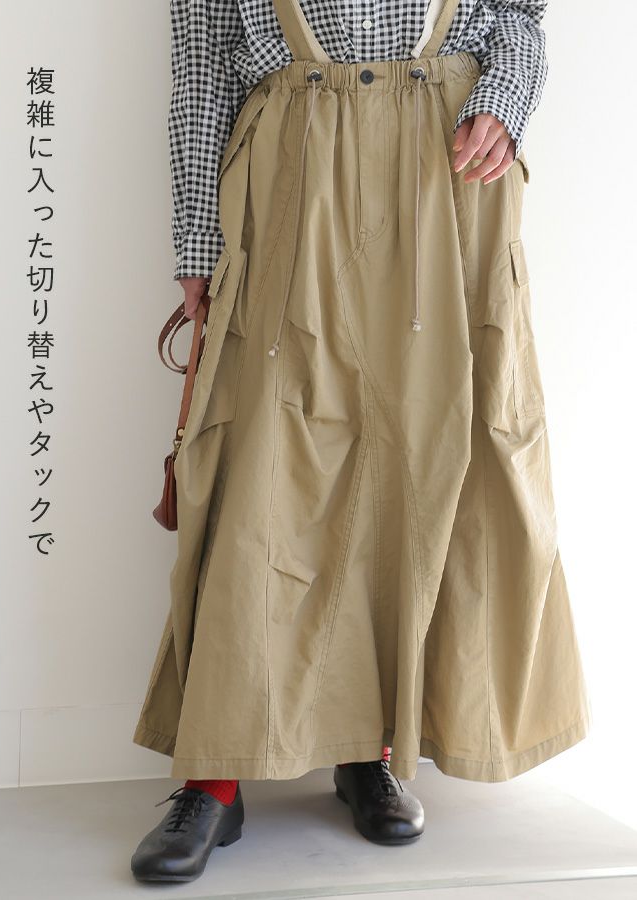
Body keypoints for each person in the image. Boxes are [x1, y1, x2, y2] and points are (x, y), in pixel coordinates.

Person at [130, 0, 592, 884]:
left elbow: (518, 12)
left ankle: (370, 746)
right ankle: (214, 774)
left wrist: (505, 99)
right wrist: (195, 242)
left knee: (423, 456)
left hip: (446, 160)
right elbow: (201, 64)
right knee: (265, 463)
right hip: (292, 154)